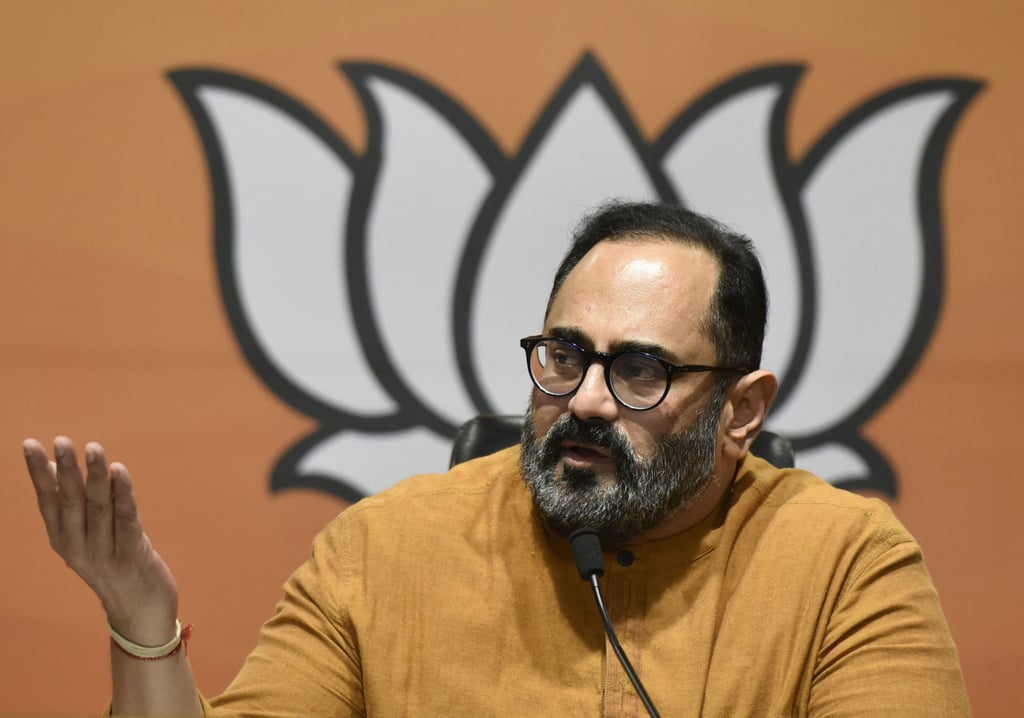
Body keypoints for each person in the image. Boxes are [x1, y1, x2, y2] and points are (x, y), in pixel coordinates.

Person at [23, 200, 969, 716]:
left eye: (640, 369)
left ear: (741, 410)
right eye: (565, 356)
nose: (587, 400)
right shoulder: (385, 549)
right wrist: (144, 621)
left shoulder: (848, 564)